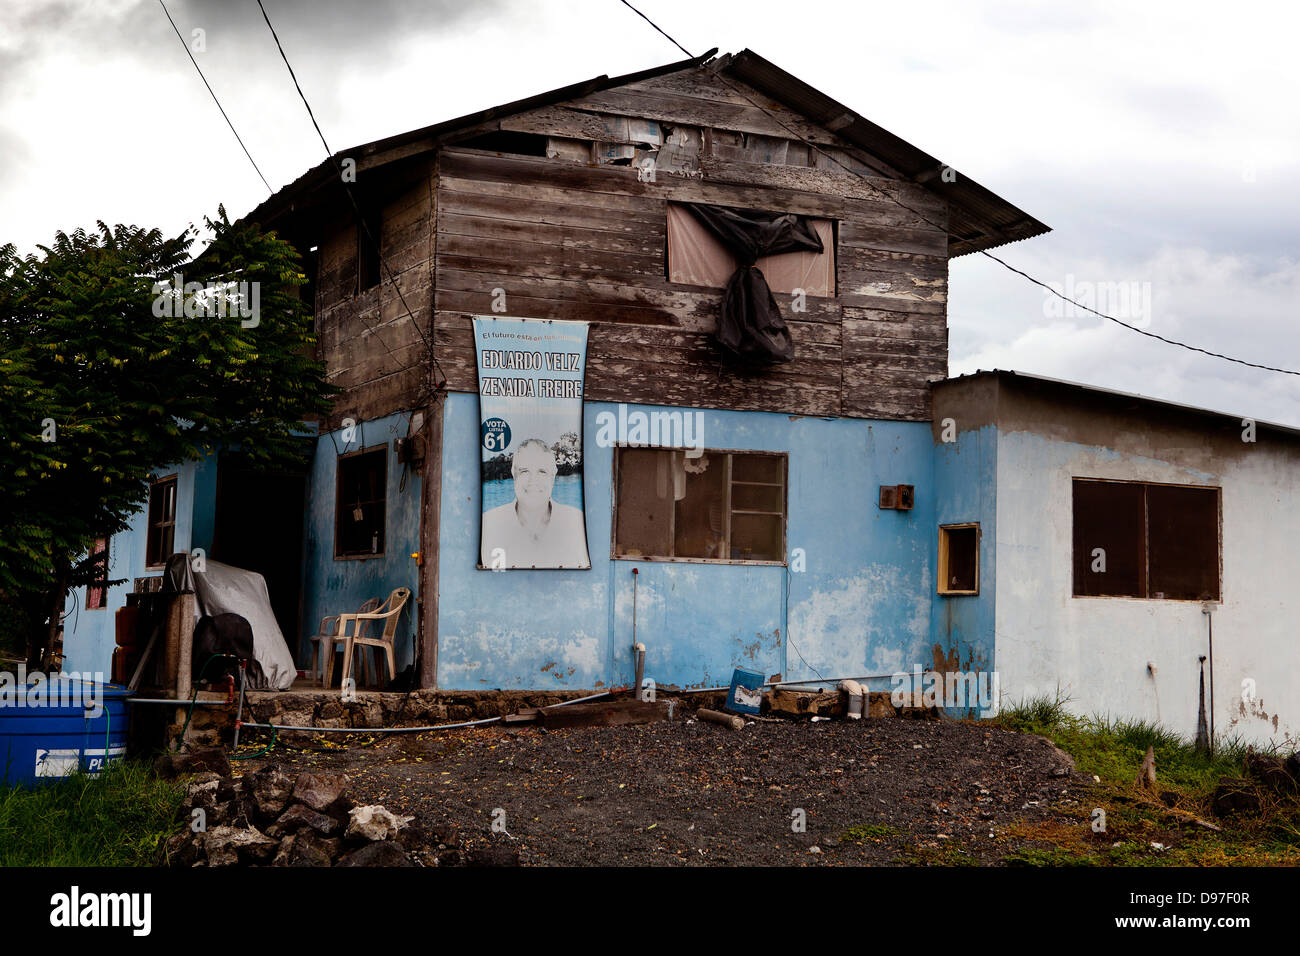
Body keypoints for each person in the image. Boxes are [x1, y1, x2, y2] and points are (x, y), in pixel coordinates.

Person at [481, 439, 590, 568]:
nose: (533, 480)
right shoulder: (489, 522)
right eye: (525, 471)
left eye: (542, 471)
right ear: (513, 474)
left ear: (553, 475)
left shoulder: (576, 522)